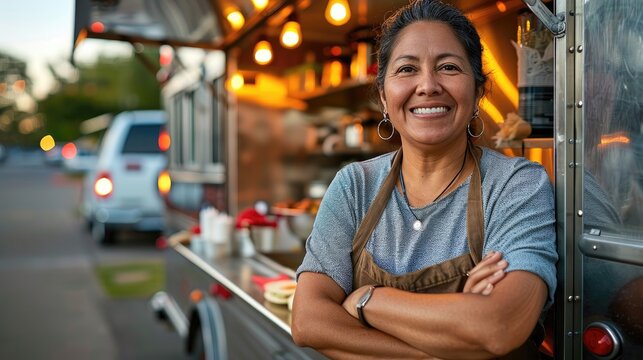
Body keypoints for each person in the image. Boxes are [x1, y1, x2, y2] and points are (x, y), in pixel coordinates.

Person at [291, 0, 558, 358]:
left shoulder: (516, 185)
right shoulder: (355, 186)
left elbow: (498, 326)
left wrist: (368, 300)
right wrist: (453, 342)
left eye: (448, 67)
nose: (428, 85)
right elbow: (309, 322)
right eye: (406, 69)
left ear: (478, 91)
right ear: (384, 97)